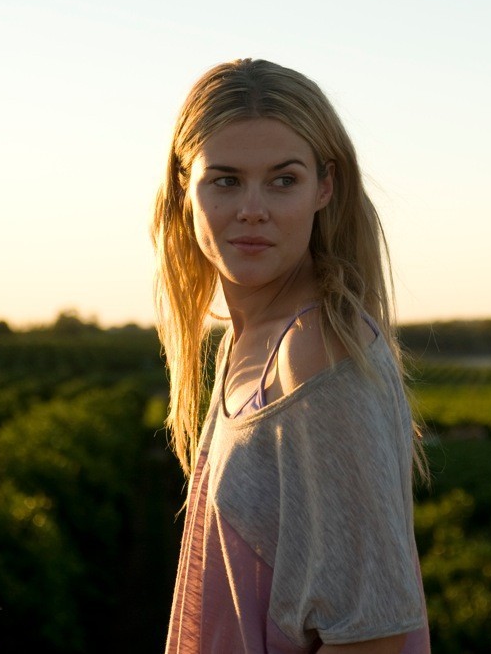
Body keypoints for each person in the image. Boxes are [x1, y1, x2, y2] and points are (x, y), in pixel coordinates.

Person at [152, 57, 430, 654]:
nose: (253, 208)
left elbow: (370, 635)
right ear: (184, 186)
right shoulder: (245, 339)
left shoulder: (314, 352)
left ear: (324, 187)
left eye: (283, 180)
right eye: (225, 180)